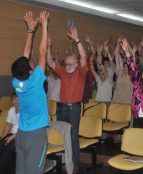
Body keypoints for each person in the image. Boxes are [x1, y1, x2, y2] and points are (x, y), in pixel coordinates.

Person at [11, 11, 49, 174]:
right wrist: (44, 26)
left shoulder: (16, 82)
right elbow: (42, 52)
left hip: (22, 135)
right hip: (36, 136)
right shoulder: (36, 81)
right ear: (30, 70)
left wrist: (31, 29)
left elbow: (25, 55)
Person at [46, 25, 88, 171]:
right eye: (67, 63)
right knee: (61, 134)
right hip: (61, 107)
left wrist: (77, 40)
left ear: (77, 64)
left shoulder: (81, 73)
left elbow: (83, 56)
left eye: (71, 63)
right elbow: (50, 62)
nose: (68, 65)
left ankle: (74, 164)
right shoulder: (63, 72)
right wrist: (48, 47)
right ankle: (65, 159)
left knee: (73, 136)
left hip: (74, 109)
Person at [0, 93, 19, 173]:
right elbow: (8, 125)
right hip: (12, 134)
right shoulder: (11, 110)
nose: (16, 100)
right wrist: (2, 138)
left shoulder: (26, 111)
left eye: (18, 98)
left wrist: (12, 137)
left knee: (8, 148)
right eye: (14, 99)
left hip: (22, 136)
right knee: (1, 144)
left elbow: (25, 129)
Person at [112, 39, 133, 104]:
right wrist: (118, 43)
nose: (125, 67)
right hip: (116, 101)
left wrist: (127, 47)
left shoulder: (132, 75)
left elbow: (133, 56)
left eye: (127, 66)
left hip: (127, 103)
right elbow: (117, 57)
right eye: (124, 66)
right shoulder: (120, 72)